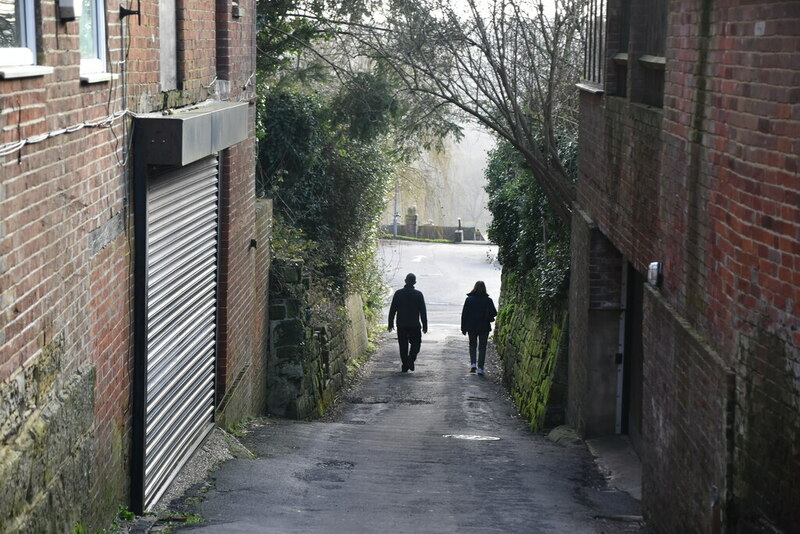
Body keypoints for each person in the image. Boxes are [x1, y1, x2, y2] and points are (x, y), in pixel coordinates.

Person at [387, 273, 428, 372]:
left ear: (405, 281)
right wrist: (425, 325)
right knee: (416, 344)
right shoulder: (418, 294)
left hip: (401, 324)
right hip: (414, 324)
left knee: (403, 345)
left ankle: (405, 364)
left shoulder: (398, 293)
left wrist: (390, 323)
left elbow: (392, 310)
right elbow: (423, 311)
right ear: (414, 282)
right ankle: (411, 359)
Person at [460, 281, 497, 375]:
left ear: (474, 287)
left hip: (471, 326)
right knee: (482, 347)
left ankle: (473, 364)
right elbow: (494, 313)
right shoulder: (488, 300)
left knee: (472, 345)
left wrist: (463, 328)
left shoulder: (469, 299)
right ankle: (480, 368)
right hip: (484, 327)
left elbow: (464, 315)